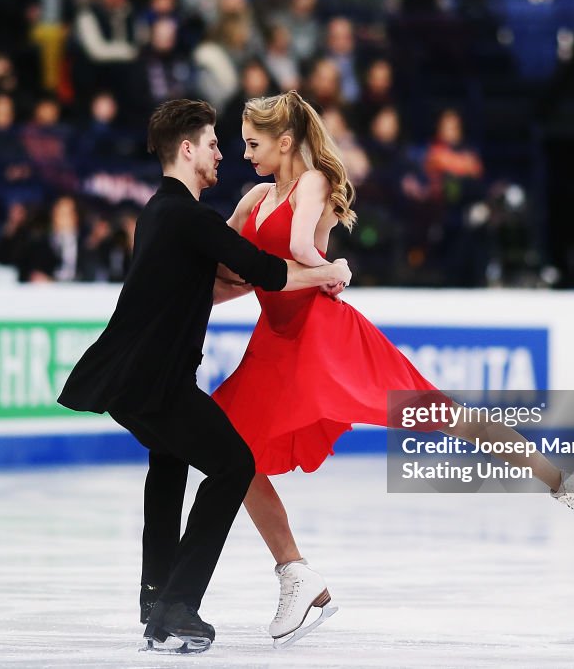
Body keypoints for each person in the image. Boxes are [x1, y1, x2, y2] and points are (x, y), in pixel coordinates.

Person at [210, 90, 574, 645]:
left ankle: (563, 483)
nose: (245, 154)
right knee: (229, 446)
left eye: (254, 143)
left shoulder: (312, 183)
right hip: (275, 340)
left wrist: (332, 266)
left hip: (325, 334)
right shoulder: (254, 198)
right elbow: (230, 272)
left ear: (285, 141)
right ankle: (295, 572)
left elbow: (293, 248)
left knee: (443, 414)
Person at [56, 98, 352, 654]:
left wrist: (256, 280)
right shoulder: (189, 217)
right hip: (154, 379)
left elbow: (224, 281)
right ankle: (179, 604)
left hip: (130, 378)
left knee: (169, 465)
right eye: (215, 144)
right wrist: (330, 270)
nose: (223, 155)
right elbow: (265, 270)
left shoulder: (160, 212)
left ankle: (156, 600)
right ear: (188, 149)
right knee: (234, 463)